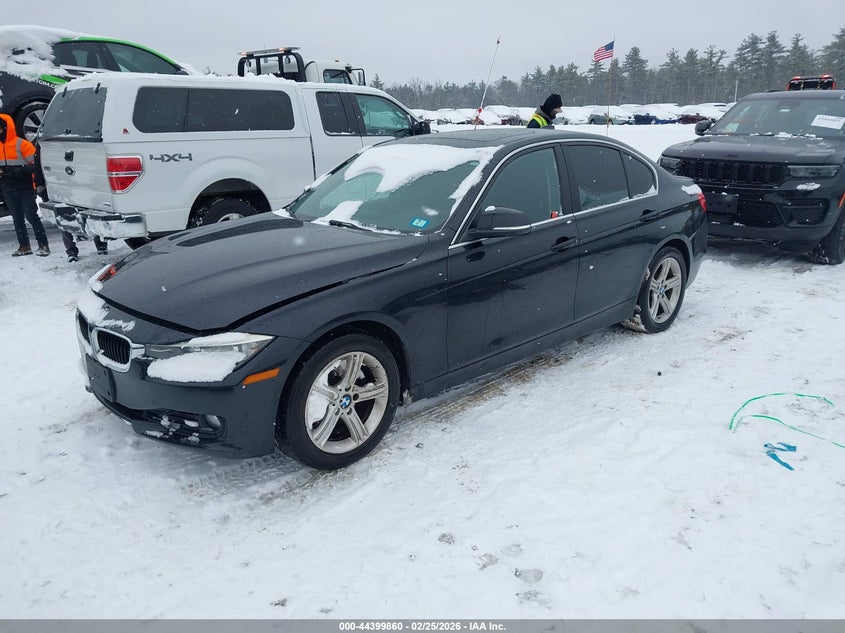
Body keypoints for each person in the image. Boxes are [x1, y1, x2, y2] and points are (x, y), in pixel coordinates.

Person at [0, 113, 50, 256]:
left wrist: (17, 171)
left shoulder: (21, 144)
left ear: (5, 127)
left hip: (25, 187)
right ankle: (24, 246)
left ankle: (43, 245)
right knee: (17, 218)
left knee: (32, 216)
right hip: (7, 188)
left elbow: (36, 165)